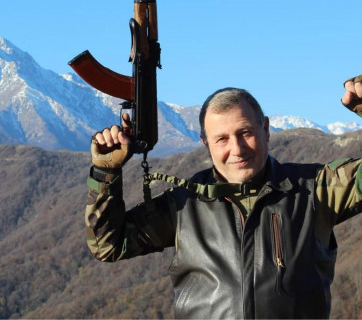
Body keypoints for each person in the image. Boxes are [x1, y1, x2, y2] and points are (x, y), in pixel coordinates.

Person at [85, 75, 362, 319]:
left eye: (245, 133)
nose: (237, 149)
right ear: (206, 143)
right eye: (222, 139)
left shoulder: (315, 189)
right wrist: (105, 173)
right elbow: (108, 245)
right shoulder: (184, 204)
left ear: (266, 129)